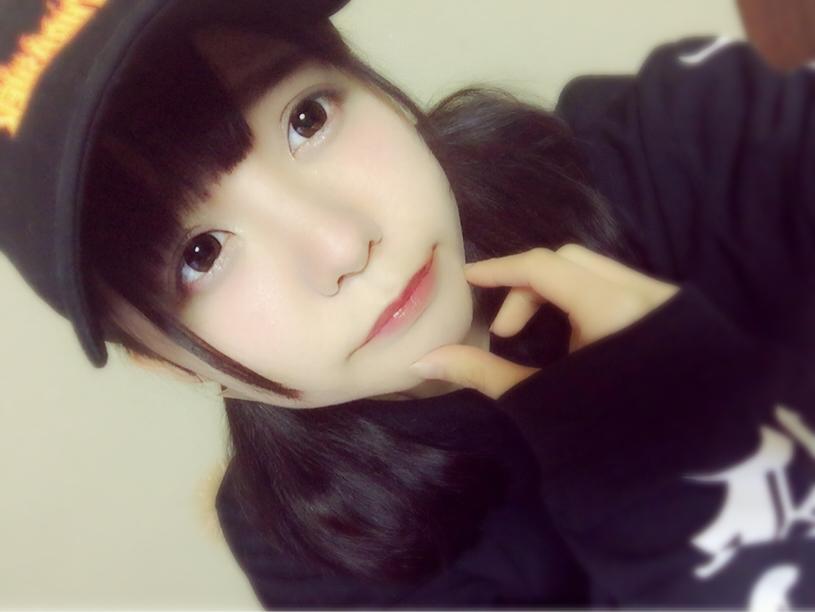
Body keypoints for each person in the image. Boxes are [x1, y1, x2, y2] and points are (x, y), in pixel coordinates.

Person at [0, 0, 813, 608]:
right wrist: (677, 462)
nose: (341, 245)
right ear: (170, 364)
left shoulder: (654, 144)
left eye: (306, 119)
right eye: (200, 255)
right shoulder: (310, 543)